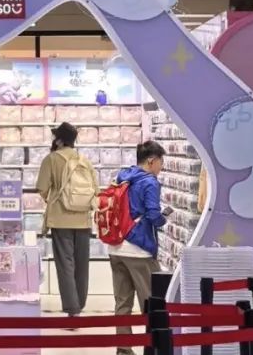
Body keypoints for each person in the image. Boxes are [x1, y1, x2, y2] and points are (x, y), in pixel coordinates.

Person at [107, 141, 170, 355]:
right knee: (153, 302)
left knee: (122, 302)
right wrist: (163, 219)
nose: (161, 166)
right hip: (139, 249)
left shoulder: (123, 177)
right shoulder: (150, 182)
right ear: (151, 161)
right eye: (161, 161)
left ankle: (123, 349)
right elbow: (153, 214)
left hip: (116, 247)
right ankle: (154, 347)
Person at [37, 122, 100, 319]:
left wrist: (53, 198)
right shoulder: (84, 160)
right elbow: (96, 190)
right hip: (83, 220)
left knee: (65, 264)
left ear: (59, 140)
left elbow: (42, 188)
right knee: (82, 265)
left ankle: (73, 309)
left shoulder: (51, 159)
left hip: (60, 219)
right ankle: (80, 303)